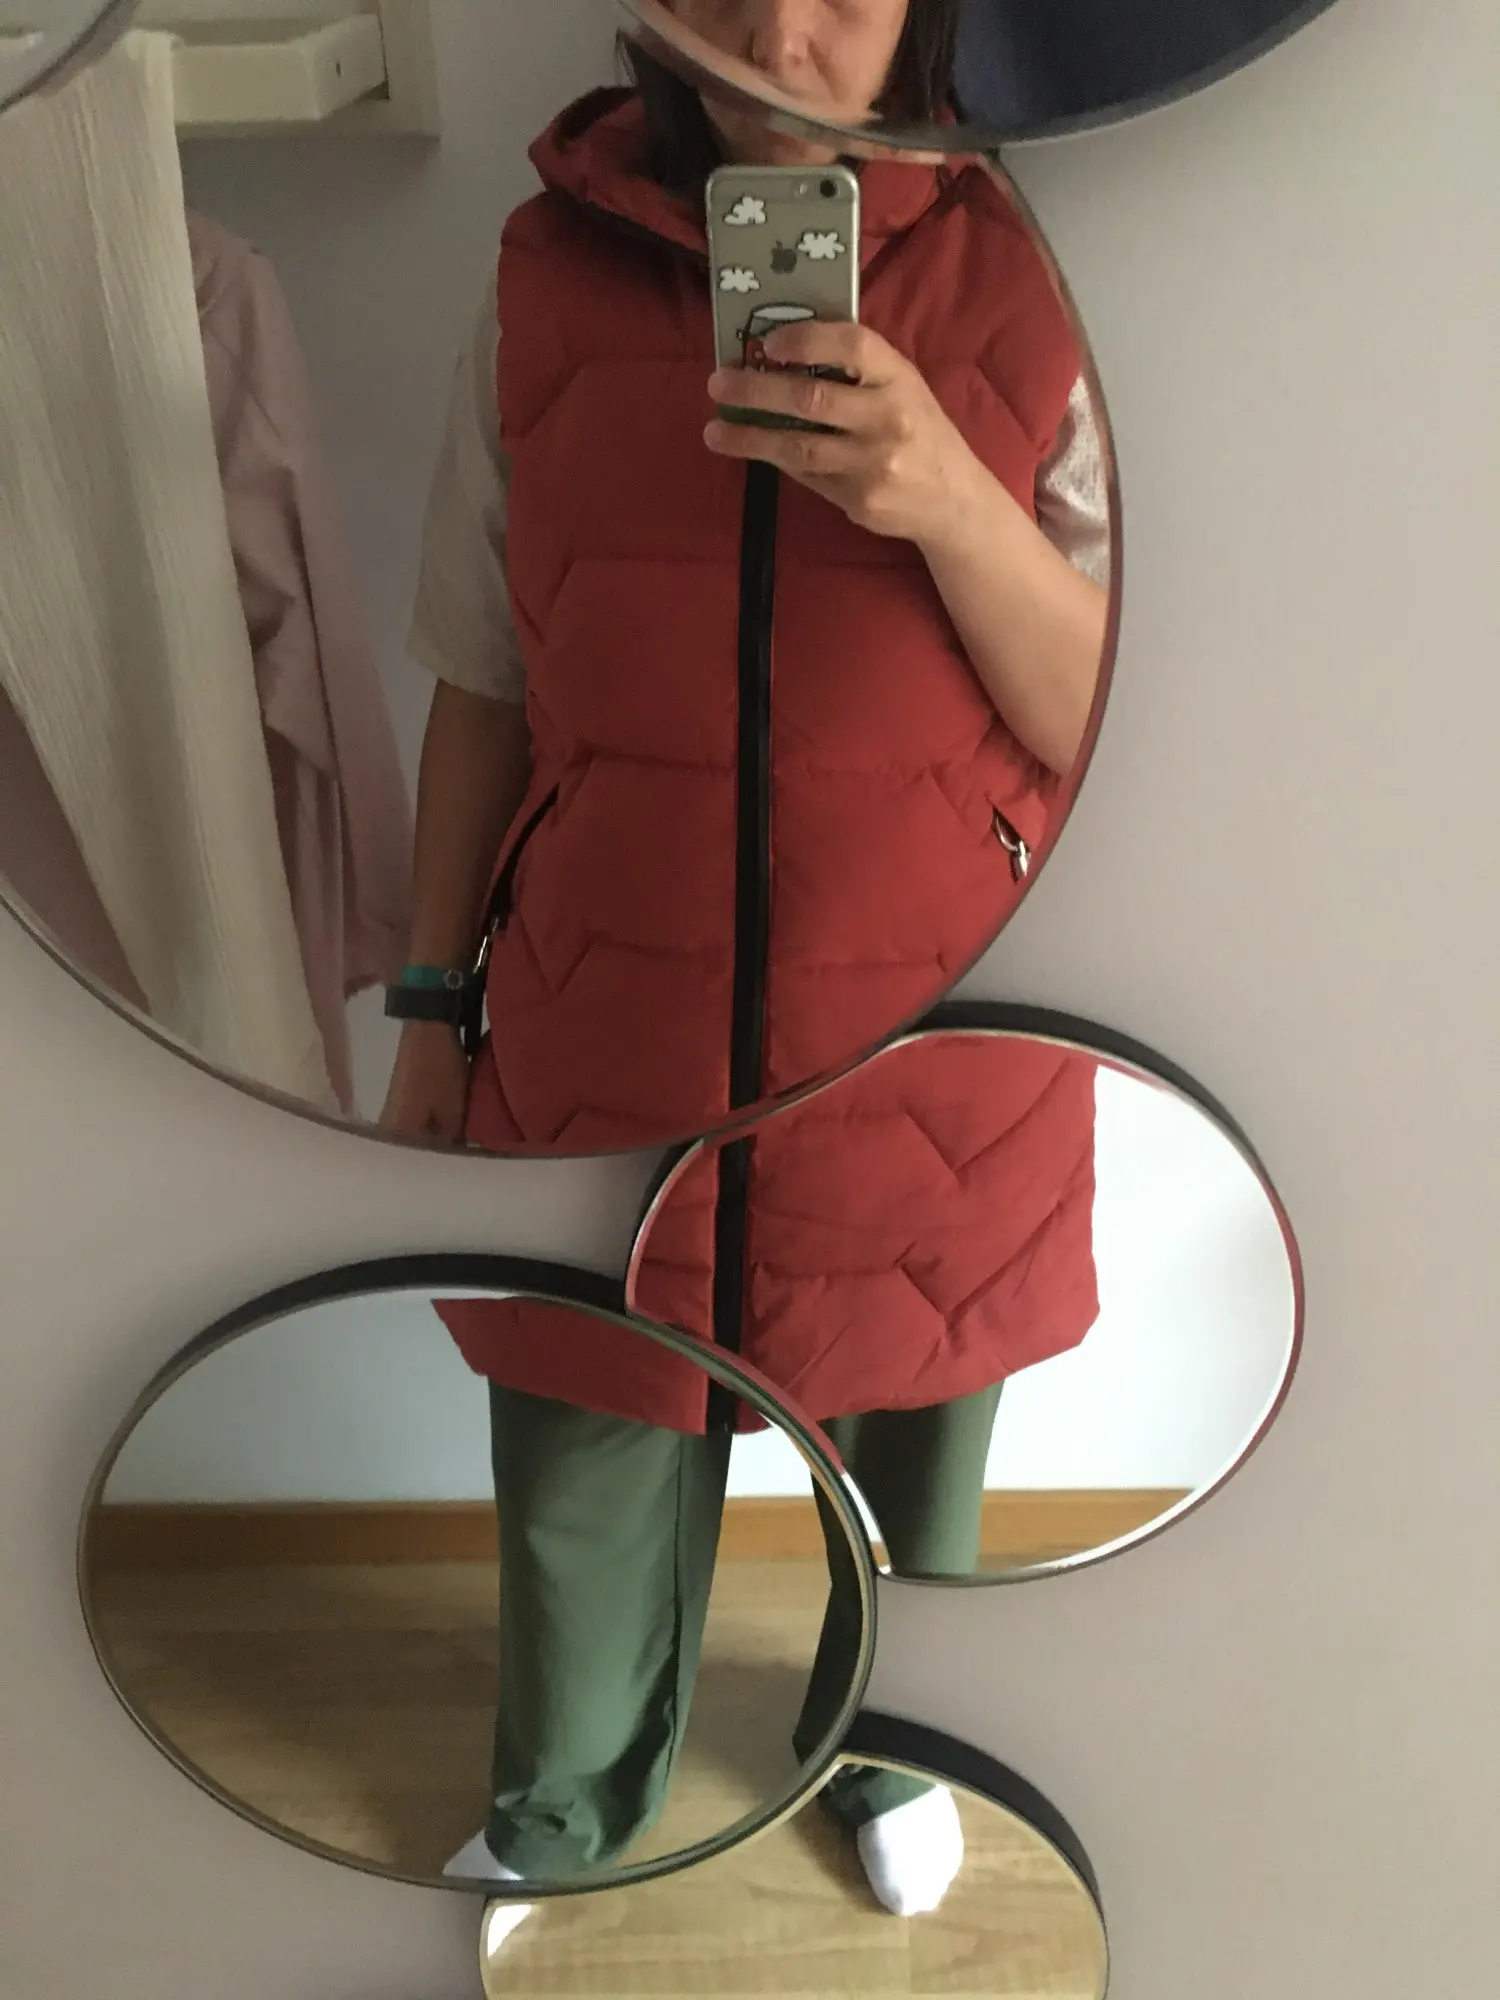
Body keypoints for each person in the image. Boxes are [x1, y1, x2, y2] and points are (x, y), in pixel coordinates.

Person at [382, 0, 1109, 1940]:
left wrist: (944, 496)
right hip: (605, 1003)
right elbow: (479, 676)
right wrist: (430, 1004)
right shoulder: (539, 277)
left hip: (939, 1024)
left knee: (918, 1445)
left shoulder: (1050, 280)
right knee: (585, 1422)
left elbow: (1107, 721)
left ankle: (900, 1750)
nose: (781, 27)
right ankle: (564, 1803)